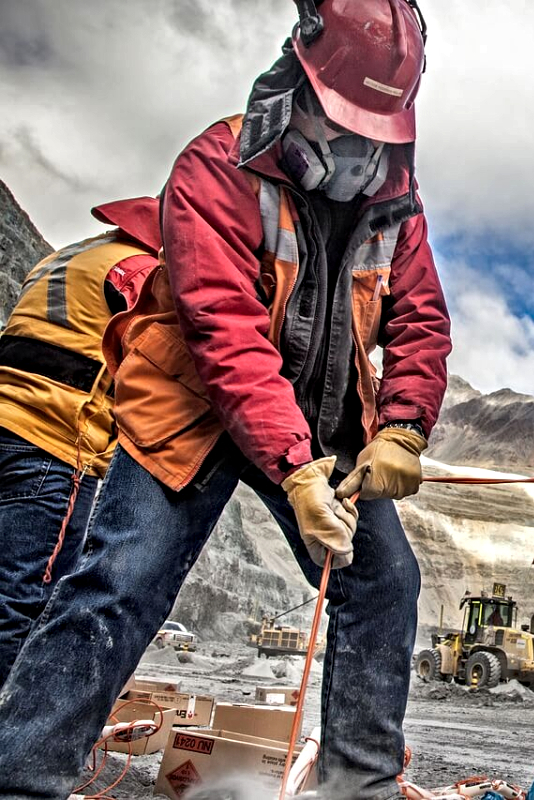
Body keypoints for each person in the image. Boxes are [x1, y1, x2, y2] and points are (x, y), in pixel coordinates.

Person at [0, 1, 451, 796]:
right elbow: (224, 330)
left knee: (386, 582)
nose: (357, 149)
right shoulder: (218, 166)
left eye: (376, 129)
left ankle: (360, 786)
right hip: (196, 403)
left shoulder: (398, 202)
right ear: (299, 84)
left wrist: (404, 428)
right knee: (121, 578)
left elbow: (419, 317)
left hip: (322, 415)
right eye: (344, 121)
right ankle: (21, 778)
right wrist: (294, 469)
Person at [0, 197, 158, 685]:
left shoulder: (70, 256)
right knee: (24, 602)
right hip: (54, 442)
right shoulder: (138, 271)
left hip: (8, 420)